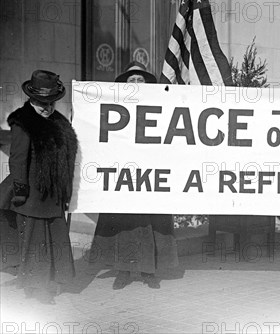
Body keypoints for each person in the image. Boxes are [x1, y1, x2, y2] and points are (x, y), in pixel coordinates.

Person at [89, 62, 179, 289]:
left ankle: (149, 271)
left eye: (141, 80)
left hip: (151, 174)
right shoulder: (113, 106)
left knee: (151, 222)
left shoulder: (160, 106)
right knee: (124, 223)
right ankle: (123, 271)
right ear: (124, 84)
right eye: (132, 80)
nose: (137, 83)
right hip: (123, 174)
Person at [2, 70, 78, 304]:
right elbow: (17, 160)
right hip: (32, 192)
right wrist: (20, 191)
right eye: (40, 102)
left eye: (50, 102)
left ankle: (48, 281)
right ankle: (37, 288)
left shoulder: (59, 122)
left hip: (53, 192)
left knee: (54, 237)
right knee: (35, 239)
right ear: (31, 99)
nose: (46, 107)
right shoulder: (23, 122)